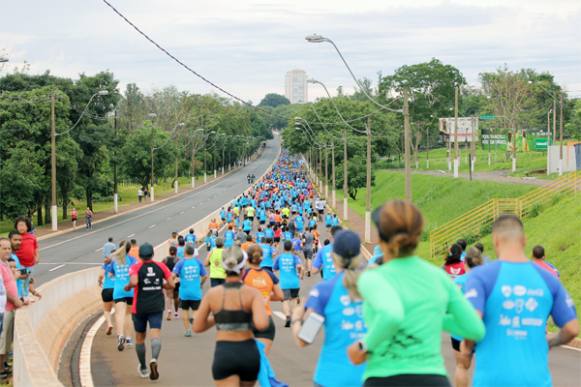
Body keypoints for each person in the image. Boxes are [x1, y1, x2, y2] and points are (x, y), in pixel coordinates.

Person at [347, 200, 485, 387]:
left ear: (380, 239)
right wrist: (433, 315)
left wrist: (363, 346)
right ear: (418, 237)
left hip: (384, 377)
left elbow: (391, 315)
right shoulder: (439, 277)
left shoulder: (373, 278)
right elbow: (475, 329)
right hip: (432, 378)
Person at [464, 215, 578, 387]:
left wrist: (467, 349)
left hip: (492, 381)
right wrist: (550, 341)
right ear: (524, 241)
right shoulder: (549, 279)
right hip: (536, 381)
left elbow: (473, 324)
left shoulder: (480, 277)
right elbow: (572, 328)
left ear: (495, 240)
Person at [292, 230, 367, 387]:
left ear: (333, 256)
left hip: (331, 378)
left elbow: (304, 339)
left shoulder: (323, 291)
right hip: (370, 377)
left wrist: (297, 317)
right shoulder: (376, 287)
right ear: (360, 256)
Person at [193, 246, 269, 386]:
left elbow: (197, 326)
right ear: (243, 267)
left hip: (225, 353)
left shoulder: (212, 294)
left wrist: (221, 317)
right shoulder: (253, 293)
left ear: (224, 267)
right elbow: (262, 324)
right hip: (248, 353)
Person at [127, 243, 175, 380]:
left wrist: (128, 285)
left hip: (139, 307)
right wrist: (161, 284)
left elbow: (135, 282)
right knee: (155, 335)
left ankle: (143, 367)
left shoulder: (136, 267)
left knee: (140, 338)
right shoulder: (161, 266)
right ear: (152, 254)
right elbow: (171, 284)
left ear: (140, 256)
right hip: (156, 306)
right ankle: (154, 359)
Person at [451, 247, 484, 387]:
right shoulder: (487, 281)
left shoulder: (459, 281)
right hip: (483, 329)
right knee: (486, 368)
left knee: (461, 367)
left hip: (460, 330)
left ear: (465, 262)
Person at [243, 244, 283, 355]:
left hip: (248, 319)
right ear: (262, 258)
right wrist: (267, 297)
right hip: (266, 318)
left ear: (247, 258)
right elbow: (280, 296)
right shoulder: (269, 275)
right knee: (261, 360)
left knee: (246, 359)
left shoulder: (244, 275)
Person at [106, 241, 138, 351]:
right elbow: (135, 275)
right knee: (128, 315)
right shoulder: (133, 260)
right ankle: (129, 338)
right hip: (130, 290)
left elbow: (110, 274)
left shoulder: (114, 260)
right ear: (129, 249)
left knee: (119, 313)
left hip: (118, 290)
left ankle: (120, 336)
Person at [0, 238, 23, 381]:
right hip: (5, 308)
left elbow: (11, 284)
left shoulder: (6, 264)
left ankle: (4, 364)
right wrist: (14, 300)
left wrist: (19, 299)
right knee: (2, 341)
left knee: (7, 341)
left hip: (11, 306)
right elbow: (2, 289)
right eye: (4, 248)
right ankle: (1, 369)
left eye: (9, 248)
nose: (8, 251)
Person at [173, 244, 207, 337]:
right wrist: (201, 283)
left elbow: (173, 275)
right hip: (196, 291)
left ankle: (187, 330)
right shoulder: (198, 262)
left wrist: (173, 282)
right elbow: (205, 275)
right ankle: (194, 318)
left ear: (185, 252)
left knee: (184, 310)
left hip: (184, 291)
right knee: (196, 309)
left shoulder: (180, 262)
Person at [273, 240, 303, 328]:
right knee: (293, 300)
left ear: (284, 247)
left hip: (284, 283)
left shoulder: (279, 258)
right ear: (291, 248)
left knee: (285, 300)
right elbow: (299, 266)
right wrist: (300, 273)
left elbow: (274, 269)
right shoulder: (295, 257)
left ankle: (287, 316)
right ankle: (294, 317)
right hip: (294, 282)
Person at [13, 217, 37, 302]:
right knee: (21, 280)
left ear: (27, 227)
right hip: (20, 263)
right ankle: (21, 296)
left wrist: (37, 257)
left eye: (23, 225)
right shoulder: (16, 237)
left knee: (28, 280)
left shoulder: (32, 237)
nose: (21, 227)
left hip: (30, 263)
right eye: (19, 225)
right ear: (16, 227)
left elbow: (35, 248)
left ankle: (26, 295)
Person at [98, 254, 116, 335]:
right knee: (119, 309)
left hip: (107, 289)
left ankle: (109, 324)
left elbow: (101, 275)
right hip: (117, 290)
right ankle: (120, 327)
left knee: (106, 310)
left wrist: (100, 281)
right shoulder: (117, 265)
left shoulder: (105, 266)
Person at [162, 246, 180, 320]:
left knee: (169, 297)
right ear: (176, 252)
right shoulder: (178, 260)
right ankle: (176, 312)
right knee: (176, 297)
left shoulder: (165, 260)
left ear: (169, 252)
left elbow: (161, 268)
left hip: (167, 280)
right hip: (176, 280)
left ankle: (169, 312)